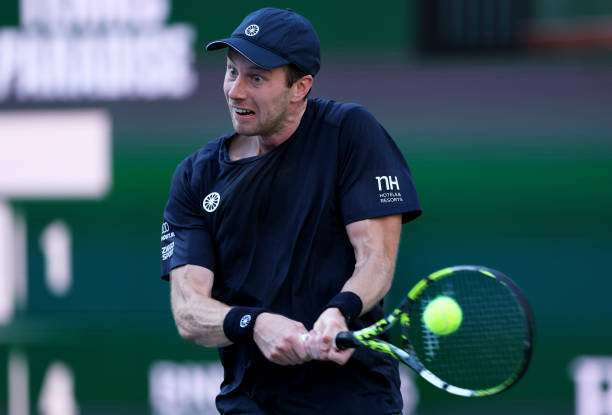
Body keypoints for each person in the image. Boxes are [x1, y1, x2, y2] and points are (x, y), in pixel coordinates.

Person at [160, 7, 422, 415]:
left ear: (300, 87)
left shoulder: (349, 133)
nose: (235, 91)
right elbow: (189, 311)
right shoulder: (196, 176)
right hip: (251, 402)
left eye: (256, 78)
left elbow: (376, 259)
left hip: (355, 399)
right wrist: (254, 323)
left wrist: (339, 311)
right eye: (232, 71)